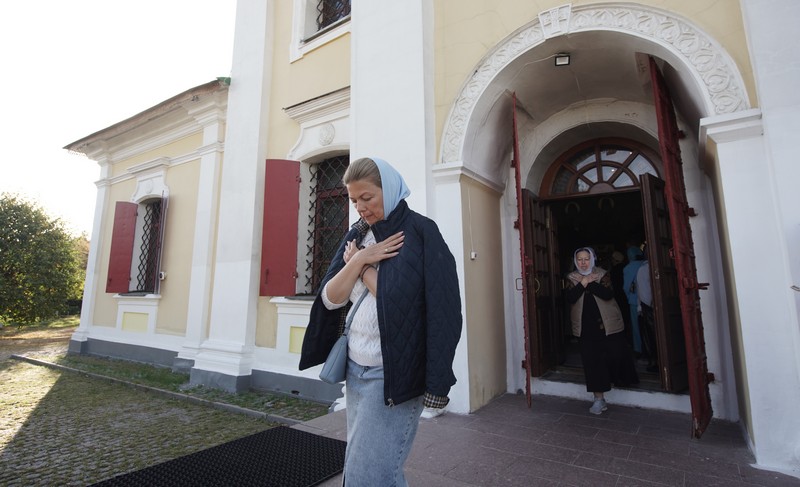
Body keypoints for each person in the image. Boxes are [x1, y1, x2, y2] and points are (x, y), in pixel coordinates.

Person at [299, 157, 462, 486]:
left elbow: (428, 309)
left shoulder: (421, 232)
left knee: (366, 475)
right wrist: (359, 258)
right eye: (353, 200)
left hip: (392, 373)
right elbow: (330, 298)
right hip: (355, 369)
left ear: (389, 189)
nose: (360, 207)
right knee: (374, 470)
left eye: (367, 197)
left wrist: (363, 270)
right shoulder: (357, 235)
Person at [566, 247, 639, 414]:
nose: (583, 263)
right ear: (575, 261)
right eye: (579, 259)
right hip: (585, 327)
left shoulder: (602, 274)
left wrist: (589, 282)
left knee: (615, 354)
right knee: (592, 362)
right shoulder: (572, 277)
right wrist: (582, 283)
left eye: (586, 259)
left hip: (608, 324)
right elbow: (571, 297)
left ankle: (618, 379)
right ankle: (599, 399)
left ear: (592, 259)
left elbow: (607, 294)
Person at [636, 257, 659, 373]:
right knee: (651, 335)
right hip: (649, 307)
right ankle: (654, 361)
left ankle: (656, 362)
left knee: (652, 335)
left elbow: (643, 292)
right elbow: (644, 292)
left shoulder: (646, 268)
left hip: (649, 306)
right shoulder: (644, 269)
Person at [622, 246, 645, 357]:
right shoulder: (646, 264)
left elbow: (626, 287)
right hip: (649, 300)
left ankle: (639, 349)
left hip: (634, 300)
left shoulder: (628, 268)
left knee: (636, 327)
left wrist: (629, 298)